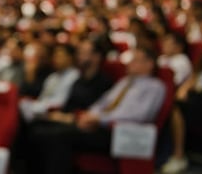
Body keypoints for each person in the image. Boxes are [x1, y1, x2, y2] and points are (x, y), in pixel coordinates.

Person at [27, 47, 166, 174]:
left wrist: (100, 120)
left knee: (58, 137)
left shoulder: (154, 87)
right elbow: (103, 102)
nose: (130, 64)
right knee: (39, 131)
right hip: (98, 124)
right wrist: (90, 115)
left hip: (118, 132)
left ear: (149, 64)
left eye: (135, 60)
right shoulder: (124, 82)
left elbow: (139, 116)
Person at [161, 33, 202, 173]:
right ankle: (166, 154)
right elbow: (191, 80)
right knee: (171, 105)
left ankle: (178, 155)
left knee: (176, 109)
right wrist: (180, 94)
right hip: (194, 98)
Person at [19, 44, 80, 122]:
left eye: (60, 56)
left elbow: (60, 103)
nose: (56, 59)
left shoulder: (74, 76)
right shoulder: (52, 77)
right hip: (41, 110)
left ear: (70, 58)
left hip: (57, 114)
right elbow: (42, 98)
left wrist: (38, 107)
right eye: (55, 56)